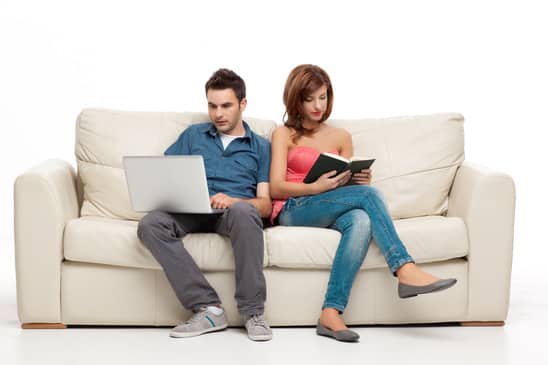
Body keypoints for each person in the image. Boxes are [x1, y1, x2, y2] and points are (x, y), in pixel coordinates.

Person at [269, 64, 457, 342]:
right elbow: (275, 186)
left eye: (322, 97)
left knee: (361, 219)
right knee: (369, 198)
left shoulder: (341, 136)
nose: (317, 105)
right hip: (294, 208)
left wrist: (358, 180)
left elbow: (343, 185)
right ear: (295, 99)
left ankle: (330, 313)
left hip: (329, 205)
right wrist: (314, 187)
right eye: (309, 99)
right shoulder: (284, 134)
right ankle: (405, 268)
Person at [137, 68, 273, 341]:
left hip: (233, 213)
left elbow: (266, 205)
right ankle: (208, 308)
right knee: (150, 224)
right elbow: (166, 173)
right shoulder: (193, 135)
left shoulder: (261, 146)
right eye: (212, 106)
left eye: (226, 106)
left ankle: (253, 312)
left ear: (242, 104)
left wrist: (236, 200)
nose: (218, 114)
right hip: (191, 210)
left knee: (245, 211)